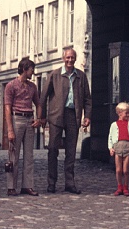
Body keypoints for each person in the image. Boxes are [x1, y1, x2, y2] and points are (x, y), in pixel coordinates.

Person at [38, 47, 91, 194]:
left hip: (73, 115)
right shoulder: (54, 75)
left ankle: (70, 182)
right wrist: (42, 117)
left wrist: (87, 116)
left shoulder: (80, 76)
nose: (70, 60)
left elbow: (87, 99)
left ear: (75, 59)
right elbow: (43, 97)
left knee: (71, 151)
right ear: (63, 58)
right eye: (67, 58)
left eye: (72, 58)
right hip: (56, 116)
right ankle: (51, 182)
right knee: (53, 149)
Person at [4, 57, 41, 197]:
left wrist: (38, 119)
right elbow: (7, 108)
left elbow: (38, 104)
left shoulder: (32, 87)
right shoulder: (11, 86)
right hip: (17, 118)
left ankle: (27, 185)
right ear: (25, 69)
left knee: (29, 156)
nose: (33, 72)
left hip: (29, 120)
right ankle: (11, 186)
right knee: (14, 155)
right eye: (31, 69)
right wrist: (10, 129)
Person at [108, 102, 129, 196]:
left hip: (127, 147)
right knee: (118, 170)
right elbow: (110, 137)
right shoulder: (114, 125)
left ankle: (126, 186)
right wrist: (110, 148)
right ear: (120, 113)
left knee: (126, 170)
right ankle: (119, 186)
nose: (128, 115)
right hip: (117, 147)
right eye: (126, 113)